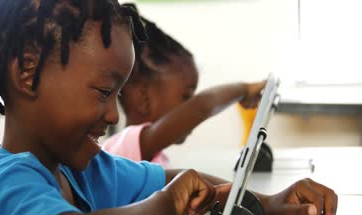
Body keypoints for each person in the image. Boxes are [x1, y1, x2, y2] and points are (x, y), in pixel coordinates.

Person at [0, 0, 337, 215]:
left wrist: (268, 202)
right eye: (104, 93)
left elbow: (174, 180)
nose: (113, 113)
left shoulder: (85, 172)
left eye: (118, 95)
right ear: (27, 73)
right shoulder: (1, 183)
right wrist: (162, 206)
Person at [102, 14, 266, 169]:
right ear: (142, 98)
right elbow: (202, 107)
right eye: (186, 97)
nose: (190, 107)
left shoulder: (154, 155)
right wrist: (244, 90)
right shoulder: (123, 149)